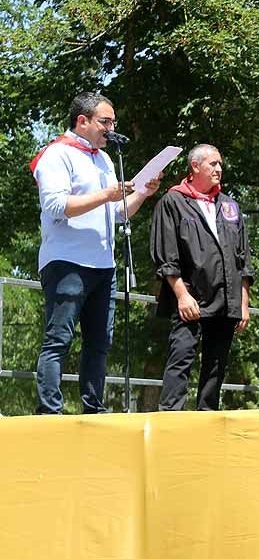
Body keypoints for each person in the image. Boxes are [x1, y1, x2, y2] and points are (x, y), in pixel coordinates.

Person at [31, 92, 161, 414]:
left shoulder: (104, 159)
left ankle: (94, 408)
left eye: (113, 122)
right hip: (67, 263)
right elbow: (57, 206)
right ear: (82, 121)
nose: (111, 128)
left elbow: (117, 213)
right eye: (105, 122)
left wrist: (142, 192)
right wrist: (106, 193)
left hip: (104, 265)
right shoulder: (57, 154)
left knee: (99, 342)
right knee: (59, 338)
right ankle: (50, 411)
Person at [151, 144, 253, 411]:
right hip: (190, 297)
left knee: (217, 363)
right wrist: (182, 295)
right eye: (213, 164)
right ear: (195, 167)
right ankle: (171, 416)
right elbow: (166, 254)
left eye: (220, 164)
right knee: (181, 356)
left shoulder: (229, 205)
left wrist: (243, 302)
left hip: (226, 299)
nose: (219, 169)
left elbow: (244, 257)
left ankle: (207, 416)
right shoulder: (173, 201)